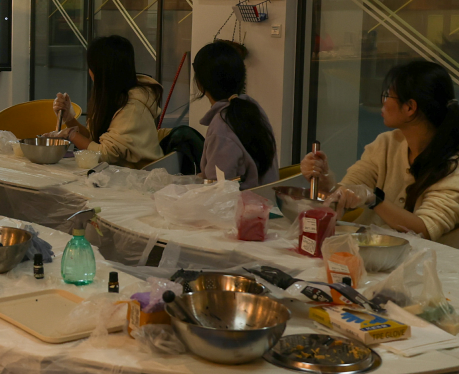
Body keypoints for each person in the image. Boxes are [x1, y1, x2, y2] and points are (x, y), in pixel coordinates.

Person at [301, 61, 459, 244]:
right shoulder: (386, 143)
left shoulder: (452, 164)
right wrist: (326, 184)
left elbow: (425, 228)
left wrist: (373, 199)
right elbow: (352, 190)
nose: (382, 102)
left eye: (387, 95)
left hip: (426, 260)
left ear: (410, 107)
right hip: (371, 250)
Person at [52, 35, 165, 168]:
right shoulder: (114, 96)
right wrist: (69, 119)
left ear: (101, 72)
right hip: (119, 173)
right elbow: (93, 139)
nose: (89, 71)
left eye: (91, 67)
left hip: (141, 176)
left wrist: (71, 135)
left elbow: (105, 154)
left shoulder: (133, 108)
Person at [192, 41, 278, 188]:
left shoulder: (221, 127)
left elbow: (217, 191)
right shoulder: (253, 108)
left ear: (200, 83)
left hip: (243, 201)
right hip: (266, 198)